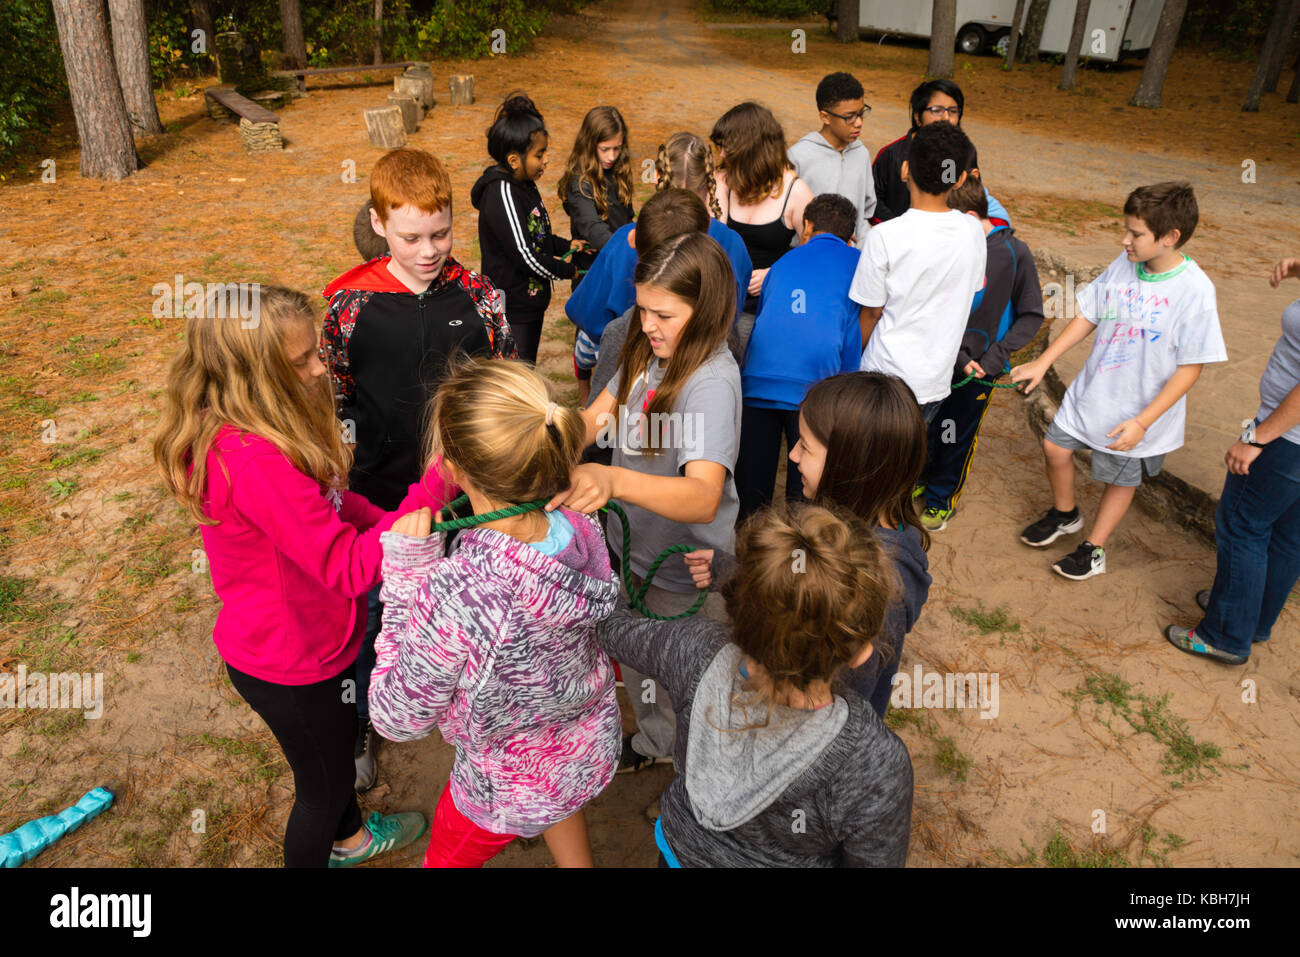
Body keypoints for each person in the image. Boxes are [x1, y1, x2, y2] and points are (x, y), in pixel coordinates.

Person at [153, 284, 431, 868]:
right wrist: (429, 498)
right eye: (302, 360)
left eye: (316, 351)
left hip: (310, 644)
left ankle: (351, 839)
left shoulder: (261, 428)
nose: (319, 365)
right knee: (322, 790)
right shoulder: (255, 464)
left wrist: (390, 520)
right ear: (257, 377)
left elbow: (334, 502)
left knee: (328, 758)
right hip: (291, 664)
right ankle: (326, 843)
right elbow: (347, 568)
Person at [367, 358, 621, 868]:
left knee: (447, 856)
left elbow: (397, 717)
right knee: (557, 799)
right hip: (583, 743)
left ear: (454, 470)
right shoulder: (581, 525)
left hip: (503, 784)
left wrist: (406, 581)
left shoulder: (463, 589)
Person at [321, 147, 517, 792]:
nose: (429, 250)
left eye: (441, 234)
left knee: (477, 608)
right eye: (411, 237)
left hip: (469, 498)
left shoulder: (481, 298)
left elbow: (501, 389)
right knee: (375, 614)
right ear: (378, 224)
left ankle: (481, 720)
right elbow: (334, 398)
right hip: (381, 499)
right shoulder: (348, 305)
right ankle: (357, 730)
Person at [597, 504, 913, 867]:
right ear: (861, 652)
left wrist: (583, 557)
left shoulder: (693, 650)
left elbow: (613, 630)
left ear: (737, 608)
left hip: (678, 855)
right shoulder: (874, 763)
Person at [549, 230, 742, 773]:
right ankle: (659, 744)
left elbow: (703, 496)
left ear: (704, 310)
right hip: (631, 551)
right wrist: (544, 443)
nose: (649, 325)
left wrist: (612, 482)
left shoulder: (711, 383)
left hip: (679, 570)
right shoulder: (647, 349)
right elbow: (596, 419)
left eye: (664, 313)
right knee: (642, 666)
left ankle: (693, 780)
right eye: (643, 310)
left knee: (688, 682)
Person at [1011, 182, 1227, 581]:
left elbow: (1190, 368)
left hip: (1137, 409)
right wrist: (1043, 362)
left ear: (1170, 237)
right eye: (1125, 230)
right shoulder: (1126, 263)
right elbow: (1090, 314)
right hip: (1094, 392)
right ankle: (1065, 514)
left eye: (1136, 234)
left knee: (1119, 476)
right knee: (1055, 446)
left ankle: (1094, 549)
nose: (1124, 240)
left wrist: (1143, 422)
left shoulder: (1195, 291)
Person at [688, 372, 931, 722]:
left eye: (806, 446)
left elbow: (835, 696)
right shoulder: (865, 536)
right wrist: (729, 571)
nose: (795, 456)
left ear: (852, 464)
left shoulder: (879, 586)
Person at [1166, 256, 1300, 663]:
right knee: (1287, 535)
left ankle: (1224, 634)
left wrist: (1256, 437)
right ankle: (1251, 616)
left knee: (1244, 525)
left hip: (1286, 438)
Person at [568, 133, 752, 405]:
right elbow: (733, 309)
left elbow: (590, 315)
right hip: (702, 372)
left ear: (656, 176)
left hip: (629, 372)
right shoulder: (732, 244)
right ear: (712, 179)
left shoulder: (628, 239)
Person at [918, 173, 1046, 531]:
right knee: (928, 425)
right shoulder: (952, 247)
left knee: (958, 432)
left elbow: (1031, 315)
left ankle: (941, 497)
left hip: (981, 370)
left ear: (971, 220)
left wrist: (991, 360)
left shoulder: (1014, 254)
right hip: (941, 359)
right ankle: (922, 476)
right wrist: (957, 355)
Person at [849, 121, 987, 423]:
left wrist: (851, 366)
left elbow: (870, 313)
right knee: (907, 463)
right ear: (960, 178)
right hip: (933, 382)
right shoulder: (973, 230)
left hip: (881, 377)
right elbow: (974, 290)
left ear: (905, 170)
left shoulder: (884, 236)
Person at [735, 193, 861, 519]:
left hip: (758, 383)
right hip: (814, 389)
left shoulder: (784, 261)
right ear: (851, 236)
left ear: (807, 226)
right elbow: (851, 333)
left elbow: (765, 318)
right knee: (804, 484)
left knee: (752, 483)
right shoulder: (858, 263)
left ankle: (748, 544)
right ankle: (799, 548)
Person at [471, 92, 586, 363]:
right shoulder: (502, 193)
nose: (545, 160)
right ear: (514, 160)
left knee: (526, 366)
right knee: (516, 377)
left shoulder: (523, 185)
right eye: (539, 154)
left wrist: (564, 245)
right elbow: (524, 254)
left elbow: (537, 234)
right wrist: (566, 270)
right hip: (513, 307)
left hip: (529, 303)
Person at [711, 102, 813, 316]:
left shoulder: (795, 192)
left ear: (749, 150)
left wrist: (773, 273)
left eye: (726, 148)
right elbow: (713, 241)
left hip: (768, 308)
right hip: (722, 306)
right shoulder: (722, 181)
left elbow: (813, 254)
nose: (720, 155)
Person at [871, 79, 1009, 227]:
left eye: (953, 111)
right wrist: (899, 227)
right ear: (917, 117)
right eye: (937, 110)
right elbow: (873, 200)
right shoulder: (892, 155)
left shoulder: (966, 152)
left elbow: (970, 198)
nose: (946, 118)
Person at [788, 71, 876, 246]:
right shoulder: (797, 156)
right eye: (849, 116)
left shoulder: (861, 154)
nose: (858, 122)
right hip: (808, 254)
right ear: (825, 117)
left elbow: (866, 210)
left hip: (852, 255)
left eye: (861, 113)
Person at [558, 105, 635, 277]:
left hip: (620, 268)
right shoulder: (579, 183)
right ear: (589, 144)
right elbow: (593, 228)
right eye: (605, 149)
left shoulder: (618, 171)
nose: (612, 157)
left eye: (617, 148)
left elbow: (627, 218)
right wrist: (625, 251)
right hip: (593, 273)